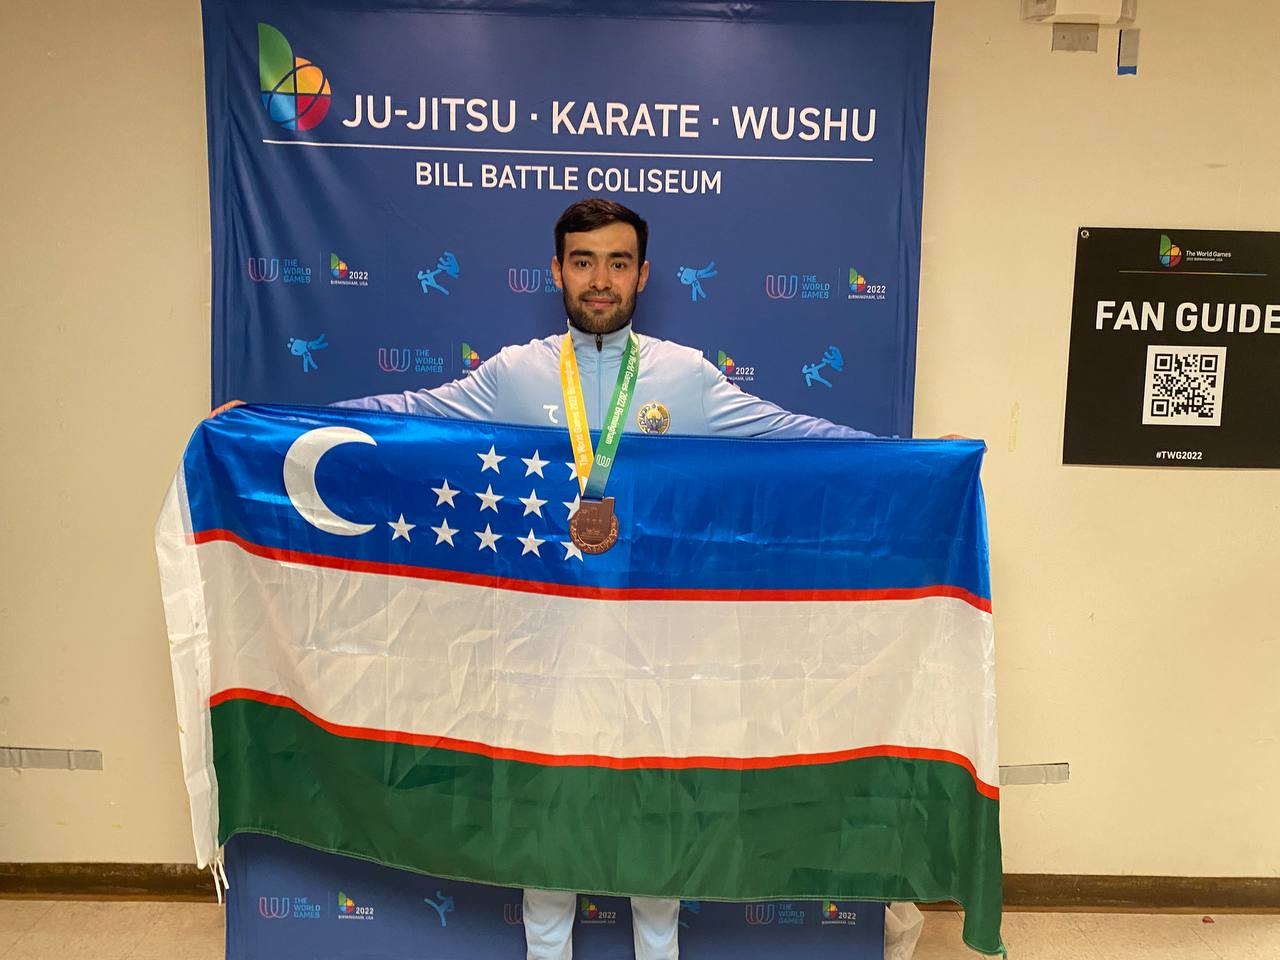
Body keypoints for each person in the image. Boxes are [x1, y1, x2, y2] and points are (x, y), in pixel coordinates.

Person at [213, 198, 884, 959]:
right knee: (546, 844)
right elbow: (407, 416)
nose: (601, 280)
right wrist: (270, 426)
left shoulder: (685, 377)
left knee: (656, 846)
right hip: (543, 652)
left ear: (643, 275)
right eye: (584, 262)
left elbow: (788, 435)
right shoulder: (516, 374)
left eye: (618, 263)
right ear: (556, 270)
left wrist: (908, 460)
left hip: (654, 651)